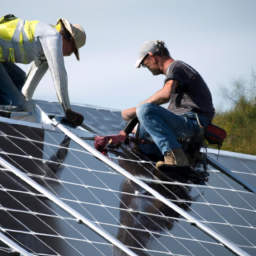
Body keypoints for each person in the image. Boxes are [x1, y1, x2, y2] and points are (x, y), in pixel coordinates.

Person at [121, 40, 215, 168]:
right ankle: (176, 156)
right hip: (184, 125)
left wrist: (138, 109)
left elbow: (165, 94)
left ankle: (175, 156)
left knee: (145, 110)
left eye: (145, 64)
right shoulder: (176, 71)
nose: (146, 68)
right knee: (141, 129)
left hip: (192, 123)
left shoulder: (177, 67)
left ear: (152, 57)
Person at [0, 14, 85, 126]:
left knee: (20, 83)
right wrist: (67, 110)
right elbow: (59, 76)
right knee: (15, 103)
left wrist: (27, 111)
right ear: (70, 40)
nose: (68, 54)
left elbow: (26, 90)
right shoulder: (52, 37)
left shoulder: (45, 49)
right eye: (72, 50)